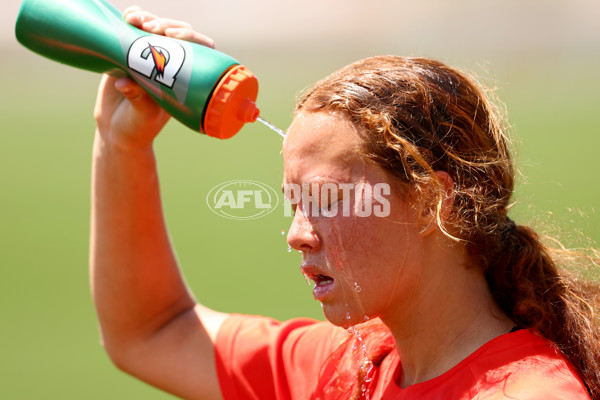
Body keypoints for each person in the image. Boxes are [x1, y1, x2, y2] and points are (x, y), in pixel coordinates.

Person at [90, 7, 600, 400]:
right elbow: (150, 332)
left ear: (429, 203)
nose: (296, 233)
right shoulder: (349, 365)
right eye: (294, 202)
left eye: (326, 198)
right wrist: (121, 144)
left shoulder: (529, 392)